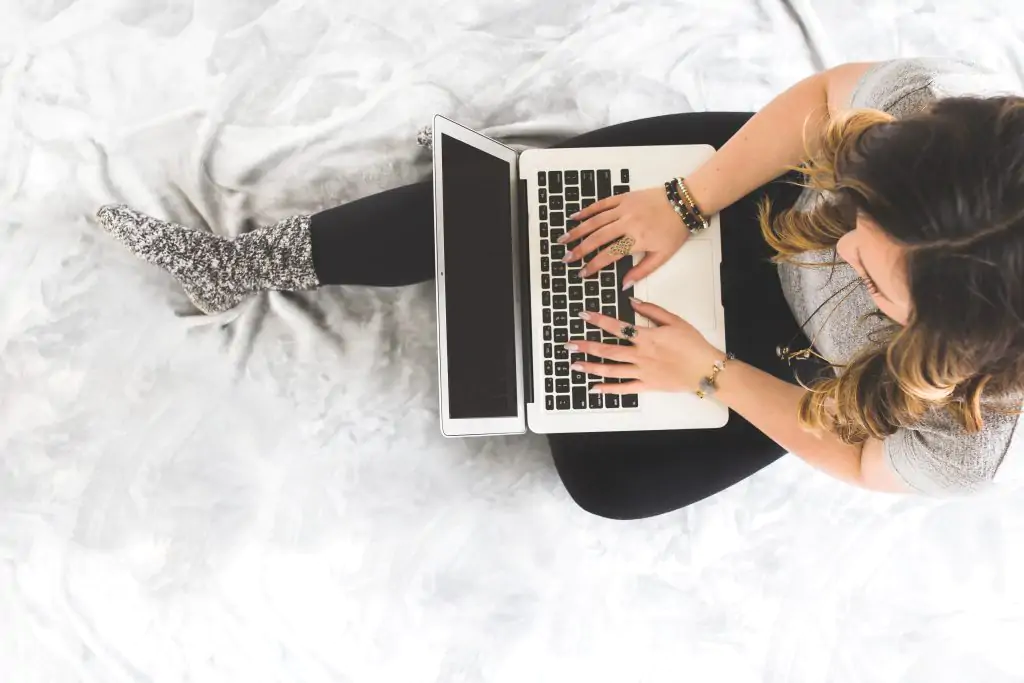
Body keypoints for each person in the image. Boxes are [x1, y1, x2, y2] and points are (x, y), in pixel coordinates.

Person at [96, 58, 1024, 519]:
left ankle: (516, 181)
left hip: (802, 366)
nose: (849, 261)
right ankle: (244, 263)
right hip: (755, 195)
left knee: (608, 485)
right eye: (867, 228)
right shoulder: (941, 131)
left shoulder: (967, 444)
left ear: (951, 356)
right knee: (530, 214)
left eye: (878, 287)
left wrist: (708, 374)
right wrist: (682, 198)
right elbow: (824, 99)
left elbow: (863, 460)